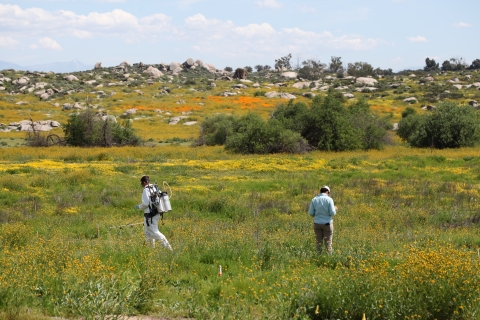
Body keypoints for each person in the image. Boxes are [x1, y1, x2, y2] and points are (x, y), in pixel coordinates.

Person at [135, 175, 172, 250]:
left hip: (150, 215)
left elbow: (146, 203)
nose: (142, 185)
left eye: (142, 183)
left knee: (154, 232)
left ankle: (168, 248)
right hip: (156, 213)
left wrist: (139, 207)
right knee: (147, 232)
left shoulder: (146, 190)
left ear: (145, 182)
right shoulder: (155, 188)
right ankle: (150, 249)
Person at [308, 185, 337, 254]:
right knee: (328, 244)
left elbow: (311, 213)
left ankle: (318, 256)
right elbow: (332, 213)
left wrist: (318, 213)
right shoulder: (329, 199)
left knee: (318, 243)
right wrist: (335, 208)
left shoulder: (314, 199)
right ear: (327, 192)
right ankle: (329, 258)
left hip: (317, 224)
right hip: (327, 224)